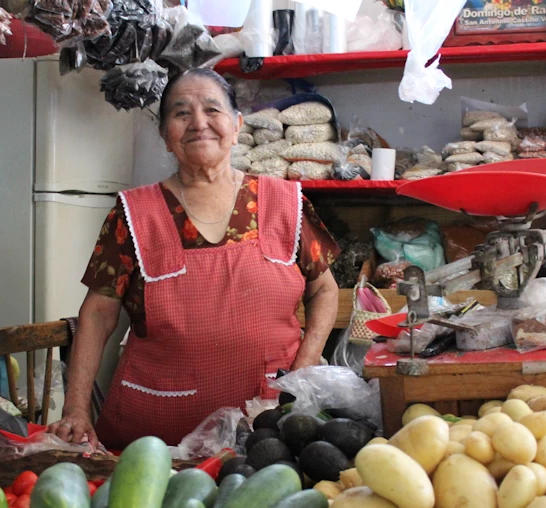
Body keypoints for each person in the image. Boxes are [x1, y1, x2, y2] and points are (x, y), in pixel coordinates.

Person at [48, 68, 341, 450]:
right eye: (181, 113)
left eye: (212, 110)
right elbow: (98, 313)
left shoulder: (284, 202)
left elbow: (324, 291)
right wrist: (75, 409)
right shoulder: (134, 214)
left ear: (236, 126)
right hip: (155, 436)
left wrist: (304, 368)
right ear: (165, 135)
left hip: (267, 426)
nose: (198, 123)